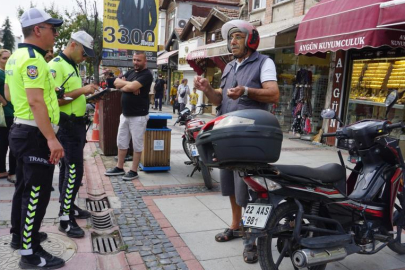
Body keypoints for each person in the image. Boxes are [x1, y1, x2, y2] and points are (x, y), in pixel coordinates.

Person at [194, 20, 279, 264]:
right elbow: (219, 99)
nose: (232, 42)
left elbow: (273, 93)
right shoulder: (229, 67)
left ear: (251, 40)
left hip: (251, 139)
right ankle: (237, 225)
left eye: (238, 37)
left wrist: (247, 91)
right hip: (228, 136)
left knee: (251, 190)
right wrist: (208, 88)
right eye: (231, 38)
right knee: (231, 185)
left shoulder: (264, 63)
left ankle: (253, 238)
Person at [5, 8, 65, 269]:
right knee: (36, 193)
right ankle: (30, 254)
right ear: (38, 30)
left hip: (21, 129)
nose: (56, 33)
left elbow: (8, 94)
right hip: (34, 134)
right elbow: (35, 100)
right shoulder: (34, 59)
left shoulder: (14, 56)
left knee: (23, 188)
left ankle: (20, 237)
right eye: (52, 28)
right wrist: (51, 138)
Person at [48, 30, 98, 238]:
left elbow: (70, 97)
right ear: (73, 45)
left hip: (76, 125)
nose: (84, 57)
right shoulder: (56, 66)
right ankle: (64, 218)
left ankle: (69, 208)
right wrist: (83, 91)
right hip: (66, 126)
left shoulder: (73, 66)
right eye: (84, 52)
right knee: (73, 171)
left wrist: (89, 98)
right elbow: (56, 99)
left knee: (72, 171)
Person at [104, 51, 153, 181]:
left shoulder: (147, 74)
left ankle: (133, 170)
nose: (136, 62)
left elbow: (127, 85)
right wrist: (129, 86)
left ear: (145, 61)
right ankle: (119, 167)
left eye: (139, 60)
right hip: (125, 114)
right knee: (121, 142)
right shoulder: (131, 72)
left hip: (139, 116)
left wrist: (128, 85)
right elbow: (116, 83)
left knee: (137, 144)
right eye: (134, 60)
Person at [0, 49, 16, 183]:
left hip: (13, 110)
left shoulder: (10, 71)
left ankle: (6, 171)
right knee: (7, 143)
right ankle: (9, 172)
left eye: (9, 58)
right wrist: (3, 101)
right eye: (4, 58)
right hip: (5, 113)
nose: (7, 60)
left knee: (7, 143)